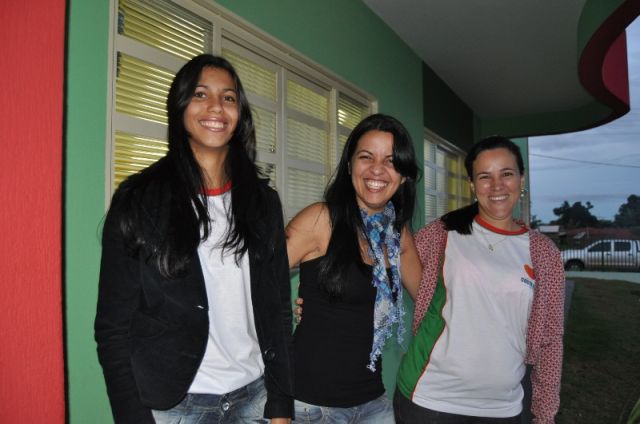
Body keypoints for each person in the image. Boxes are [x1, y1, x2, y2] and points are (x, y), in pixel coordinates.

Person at [95, 54, 294, 424]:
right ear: (180, 106)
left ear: (240, 114)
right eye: (201, 94)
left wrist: (282, 403)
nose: (216, 106)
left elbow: (278, 309)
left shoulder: (263, 203)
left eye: (228, 97)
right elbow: (113, 328)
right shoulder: (139, 199)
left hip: (255, 397)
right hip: (175, 407)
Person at [394, 136, 565, 424]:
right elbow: (389, 260)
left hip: (502, 408)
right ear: (472, 185)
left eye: (506, 174)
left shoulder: (544, 254)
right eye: (485, 177)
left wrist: (545, 415)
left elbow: (550, 339)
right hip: (428, 400)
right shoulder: (442, 234)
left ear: (521, 179)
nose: (497, 186)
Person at [285, 113, 422, 423]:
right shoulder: (320, 219)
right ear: (349, 166)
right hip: (310, 407)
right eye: (366, 157)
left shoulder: (397, 235)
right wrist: (283, 313)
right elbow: (255, 280)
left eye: (390, 161)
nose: (377, 169)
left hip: (373, 402)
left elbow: (431, 301)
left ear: (403, 175)